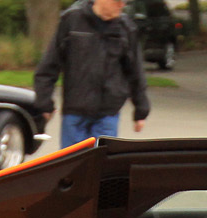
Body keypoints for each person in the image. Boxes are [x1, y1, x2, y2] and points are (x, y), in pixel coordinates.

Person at [34, 0, 150, 148]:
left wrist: (141, 110)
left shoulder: (126, 29)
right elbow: (49, 65)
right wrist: (44, 103)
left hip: (108, 114)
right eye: (117, 1)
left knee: (100, 165)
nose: (122, 5)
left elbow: (135, 72)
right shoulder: (72, 21)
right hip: (75, 112)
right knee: (73, 164)